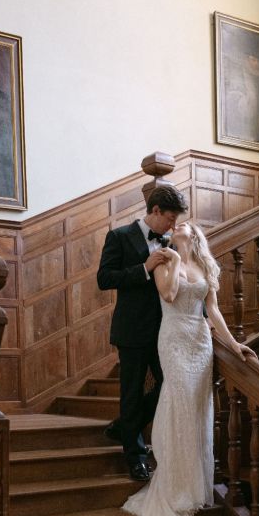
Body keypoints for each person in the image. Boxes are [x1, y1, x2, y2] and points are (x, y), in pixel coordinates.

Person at [122, 221, 255, 516]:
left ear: (195, 233)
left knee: (197, 411)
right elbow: (167, 295)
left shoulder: (207, 266)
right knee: (177, 403)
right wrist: (175, 261)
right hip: (174, 338)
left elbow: (213, 311)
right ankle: (174, 481)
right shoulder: (165, 258)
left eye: (185, 223)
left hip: (201, 343)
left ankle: (192, 481)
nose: (179, 224)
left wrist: (233, 345)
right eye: (175, 222)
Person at [97, 184, 188, 481]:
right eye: (170, 218)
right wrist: (144, 268)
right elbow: (104, 278)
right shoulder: (119, 236)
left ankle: (125, 425)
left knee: (171, 384)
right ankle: (135, 457)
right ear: (156, 211)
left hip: (166, 331)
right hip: (133, 330)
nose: (174, 226)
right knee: (132, 391)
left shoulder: (172, 243)